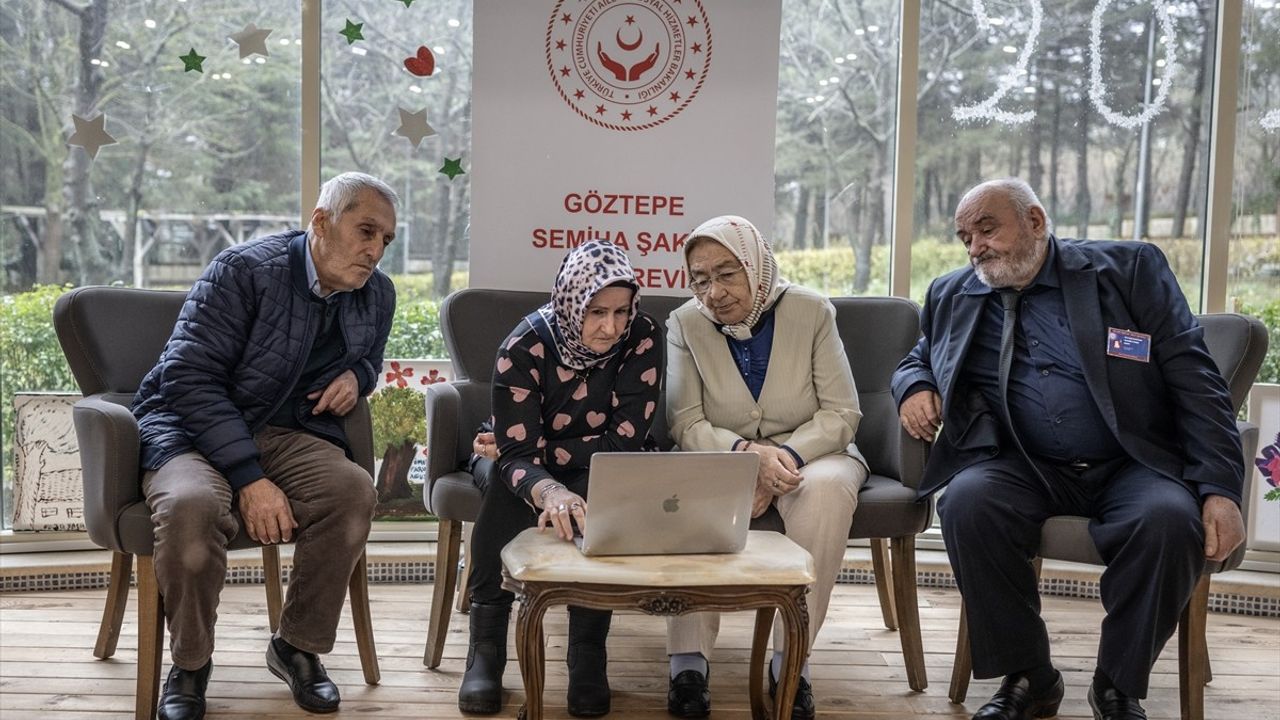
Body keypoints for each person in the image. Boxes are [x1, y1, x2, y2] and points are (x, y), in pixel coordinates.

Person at [892, 178, 1246, 720]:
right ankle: (1029, 676)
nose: (975, 248)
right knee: (966, 503)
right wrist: (914, 386)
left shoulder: (1128, 272)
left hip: (1134, 461)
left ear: (1035, 222)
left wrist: (1221, 488)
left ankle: (1116, 685)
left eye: (988, 229)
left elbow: (1197, 381)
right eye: (965, 236)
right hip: (1025, 464)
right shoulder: (954, 293)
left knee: (1170, 521)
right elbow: (920, 356)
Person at [131, 172, 398, 720]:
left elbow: (367, 356)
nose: (375, 251)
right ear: (321, 222)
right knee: (191, 507)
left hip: (285, 433)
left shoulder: (377, 293)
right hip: (188, 427)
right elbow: (187, 379)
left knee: (351, 492)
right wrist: (249, 479)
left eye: (386, 240)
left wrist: (359, 375)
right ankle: (191, 664)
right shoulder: (244, 270)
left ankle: (296, 647)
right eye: (366, 231)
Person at [663, 215, 868, 720]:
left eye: (728, 273)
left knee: (823, 492)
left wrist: (786, 458)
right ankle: (688, 664)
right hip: (721, 453)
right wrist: (743, 456)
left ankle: (790, 662)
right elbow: (684, 421)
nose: (714, 292)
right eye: (701, 279)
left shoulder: (811, 311)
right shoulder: (684, 324)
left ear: (756, 264)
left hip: (813, 453)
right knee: (688, 486)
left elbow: (842, 412)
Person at [458, 240, 664, 716]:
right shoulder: (524, 345)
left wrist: (547, 452)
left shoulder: (644, 336)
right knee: (511, 496)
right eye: (595, 312)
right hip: (514, 460)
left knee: (602, 493)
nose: (610, 327)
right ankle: (485, 650)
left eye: (620, 311)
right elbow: (513, 458)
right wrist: (548, 485)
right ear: (572, 302)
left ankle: (587, 651)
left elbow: (625, 443)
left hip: (595, 461)